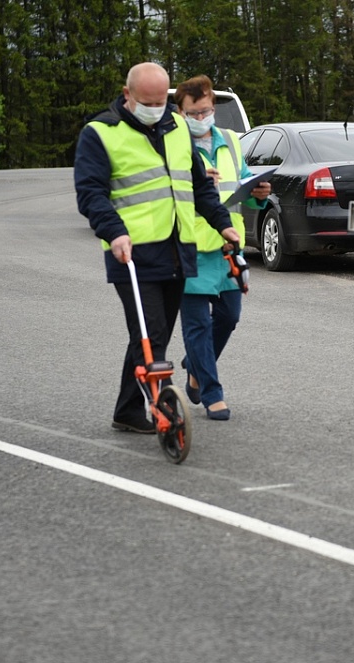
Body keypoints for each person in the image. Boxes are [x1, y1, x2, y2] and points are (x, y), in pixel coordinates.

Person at [74, 62, 240, 434]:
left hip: (178, 249)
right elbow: (90, 194)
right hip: (132, 252)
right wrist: (114, 231)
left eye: (160, 102)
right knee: (152, 332)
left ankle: (127, 410)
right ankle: (166, 411)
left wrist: (223, 223)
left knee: (153, 334)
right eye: (147, 102)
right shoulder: (100, 133)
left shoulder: (177, 126)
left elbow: (198, 186)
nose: (155, 109)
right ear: (127, 94)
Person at [172, 75, 271, 421]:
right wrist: (197, 186)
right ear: (180, 112)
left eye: (208, 110)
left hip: (230, 245)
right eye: (194, 113)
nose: (202, 118)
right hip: (191, 246)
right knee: (197, 325)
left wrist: (258, 195)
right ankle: (211, 392)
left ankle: (195, 364)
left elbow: (241, 181)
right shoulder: (171, 144)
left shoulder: (230, 139)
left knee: (229, 316)